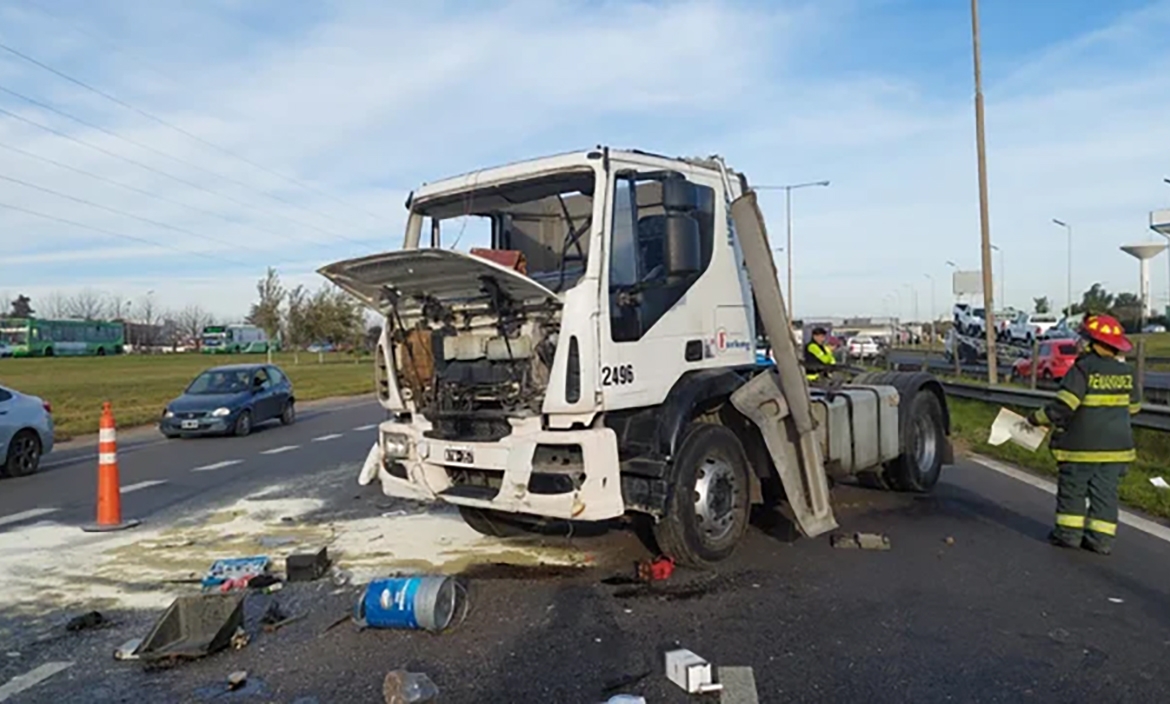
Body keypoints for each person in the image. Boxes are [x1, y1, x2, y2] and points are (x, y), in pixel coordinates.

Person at [1027, 313, 1140, 555]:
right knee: (1105, 494)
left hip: (1081, 448)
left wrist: (1036, 419)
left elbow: (1064, 406)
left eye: (1083, 338)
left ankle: (1068, 535)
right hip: (1117, 450)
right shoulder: (1127, 372)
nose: (1079, 342)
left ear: (1092, 343)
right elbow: (1134, 407)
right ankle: (1100, 541)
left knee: (1073, 490)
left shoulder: (1082, 369)